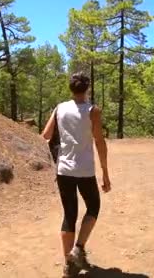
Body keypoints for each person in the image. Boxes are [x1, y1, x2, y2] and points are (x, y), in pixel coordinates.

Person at [42, 72, 111, 277]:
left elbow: (45, 135)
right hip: (85, 170)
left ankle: (68, 265)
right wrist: (105, 173)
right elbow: (99, 142)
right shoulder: (93, 111)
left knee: (69, 215)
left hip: (64, 169)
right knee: (93, 206)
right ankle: (78, 248)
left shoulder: (60, 108)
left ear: (71, 89)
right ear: (87, 89)